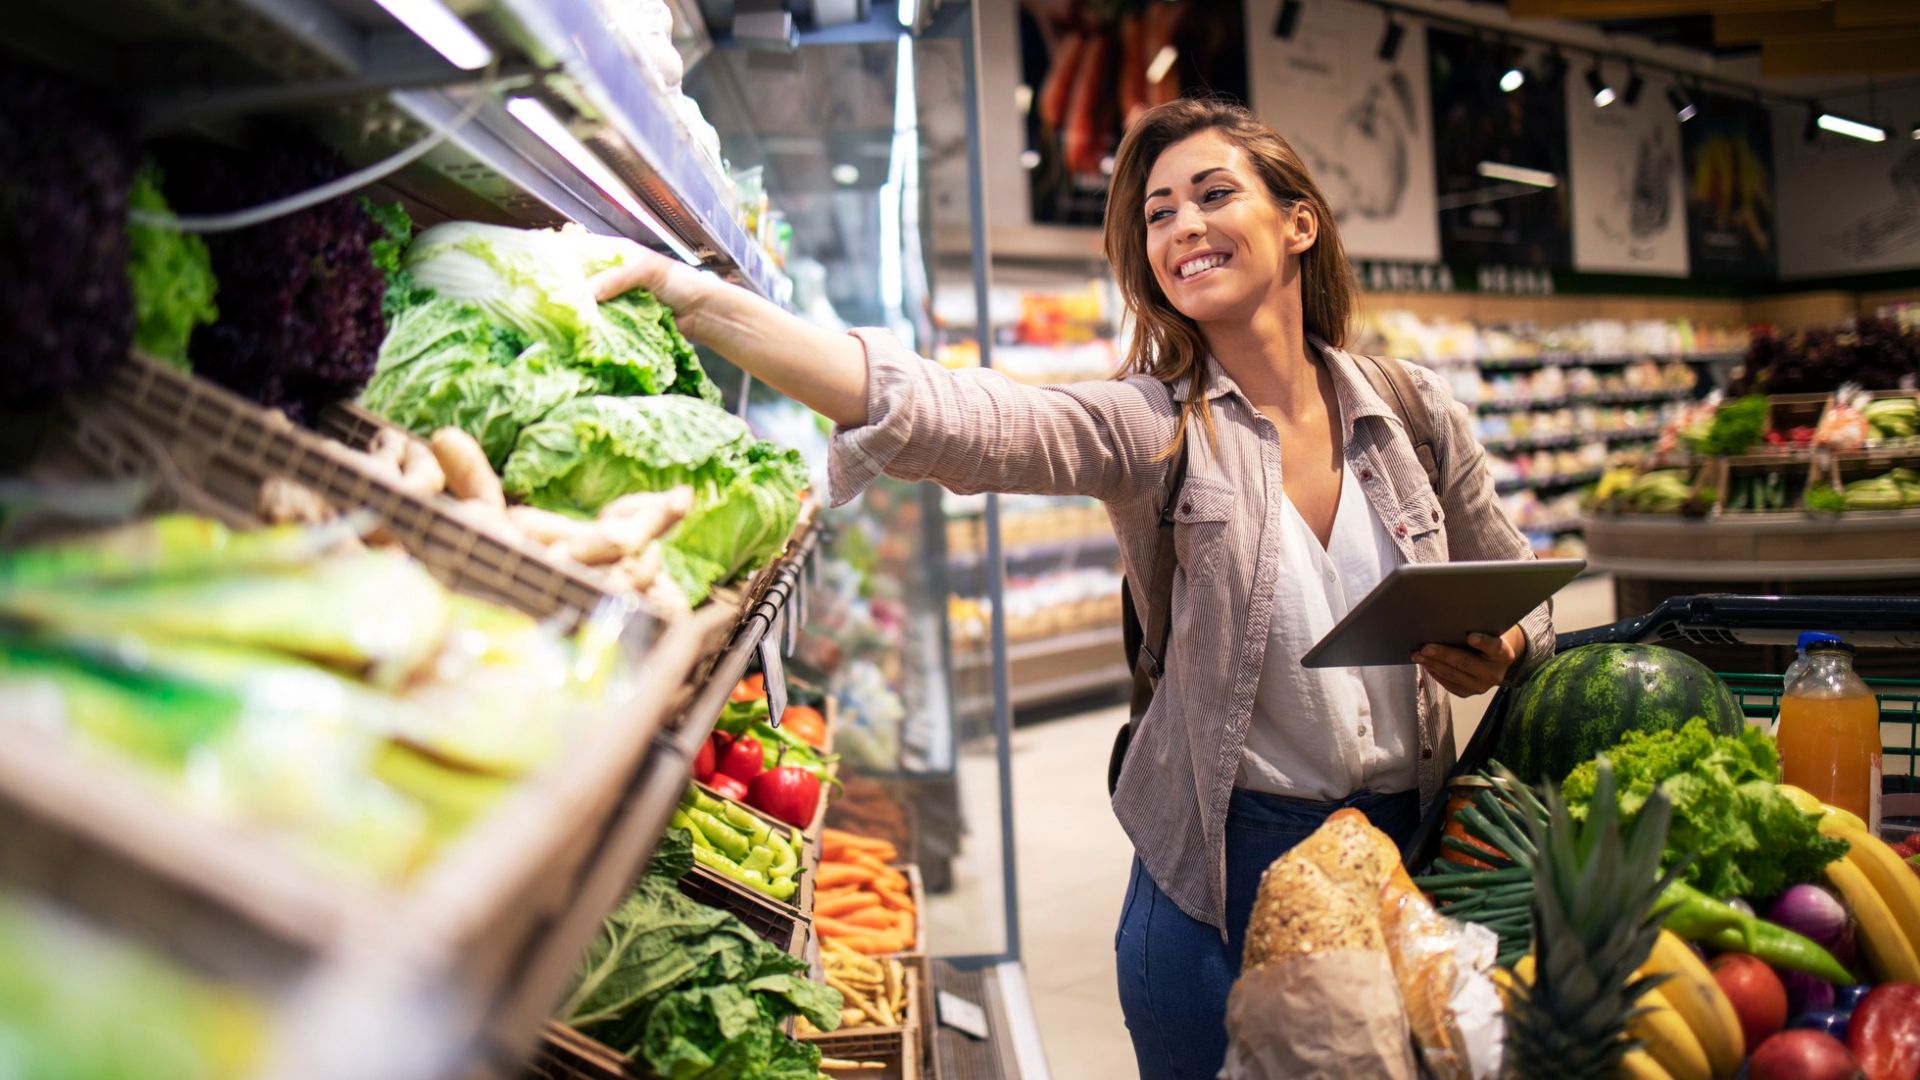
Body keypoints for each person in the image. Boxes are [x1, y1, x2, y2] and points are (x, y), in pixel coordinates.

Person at [591, 97, 1555, 1079]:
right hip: (1221, 875)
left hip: (1407, 860)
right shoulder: (1156, 426)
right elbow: (958, 414)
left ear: (1298, 222)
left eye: (1214, 195)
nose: (1182, 226)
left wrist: (1508, 646)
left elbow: (1525, 592)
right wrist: (694, 298)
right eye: (1159, 212)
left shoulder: (1412, 411)